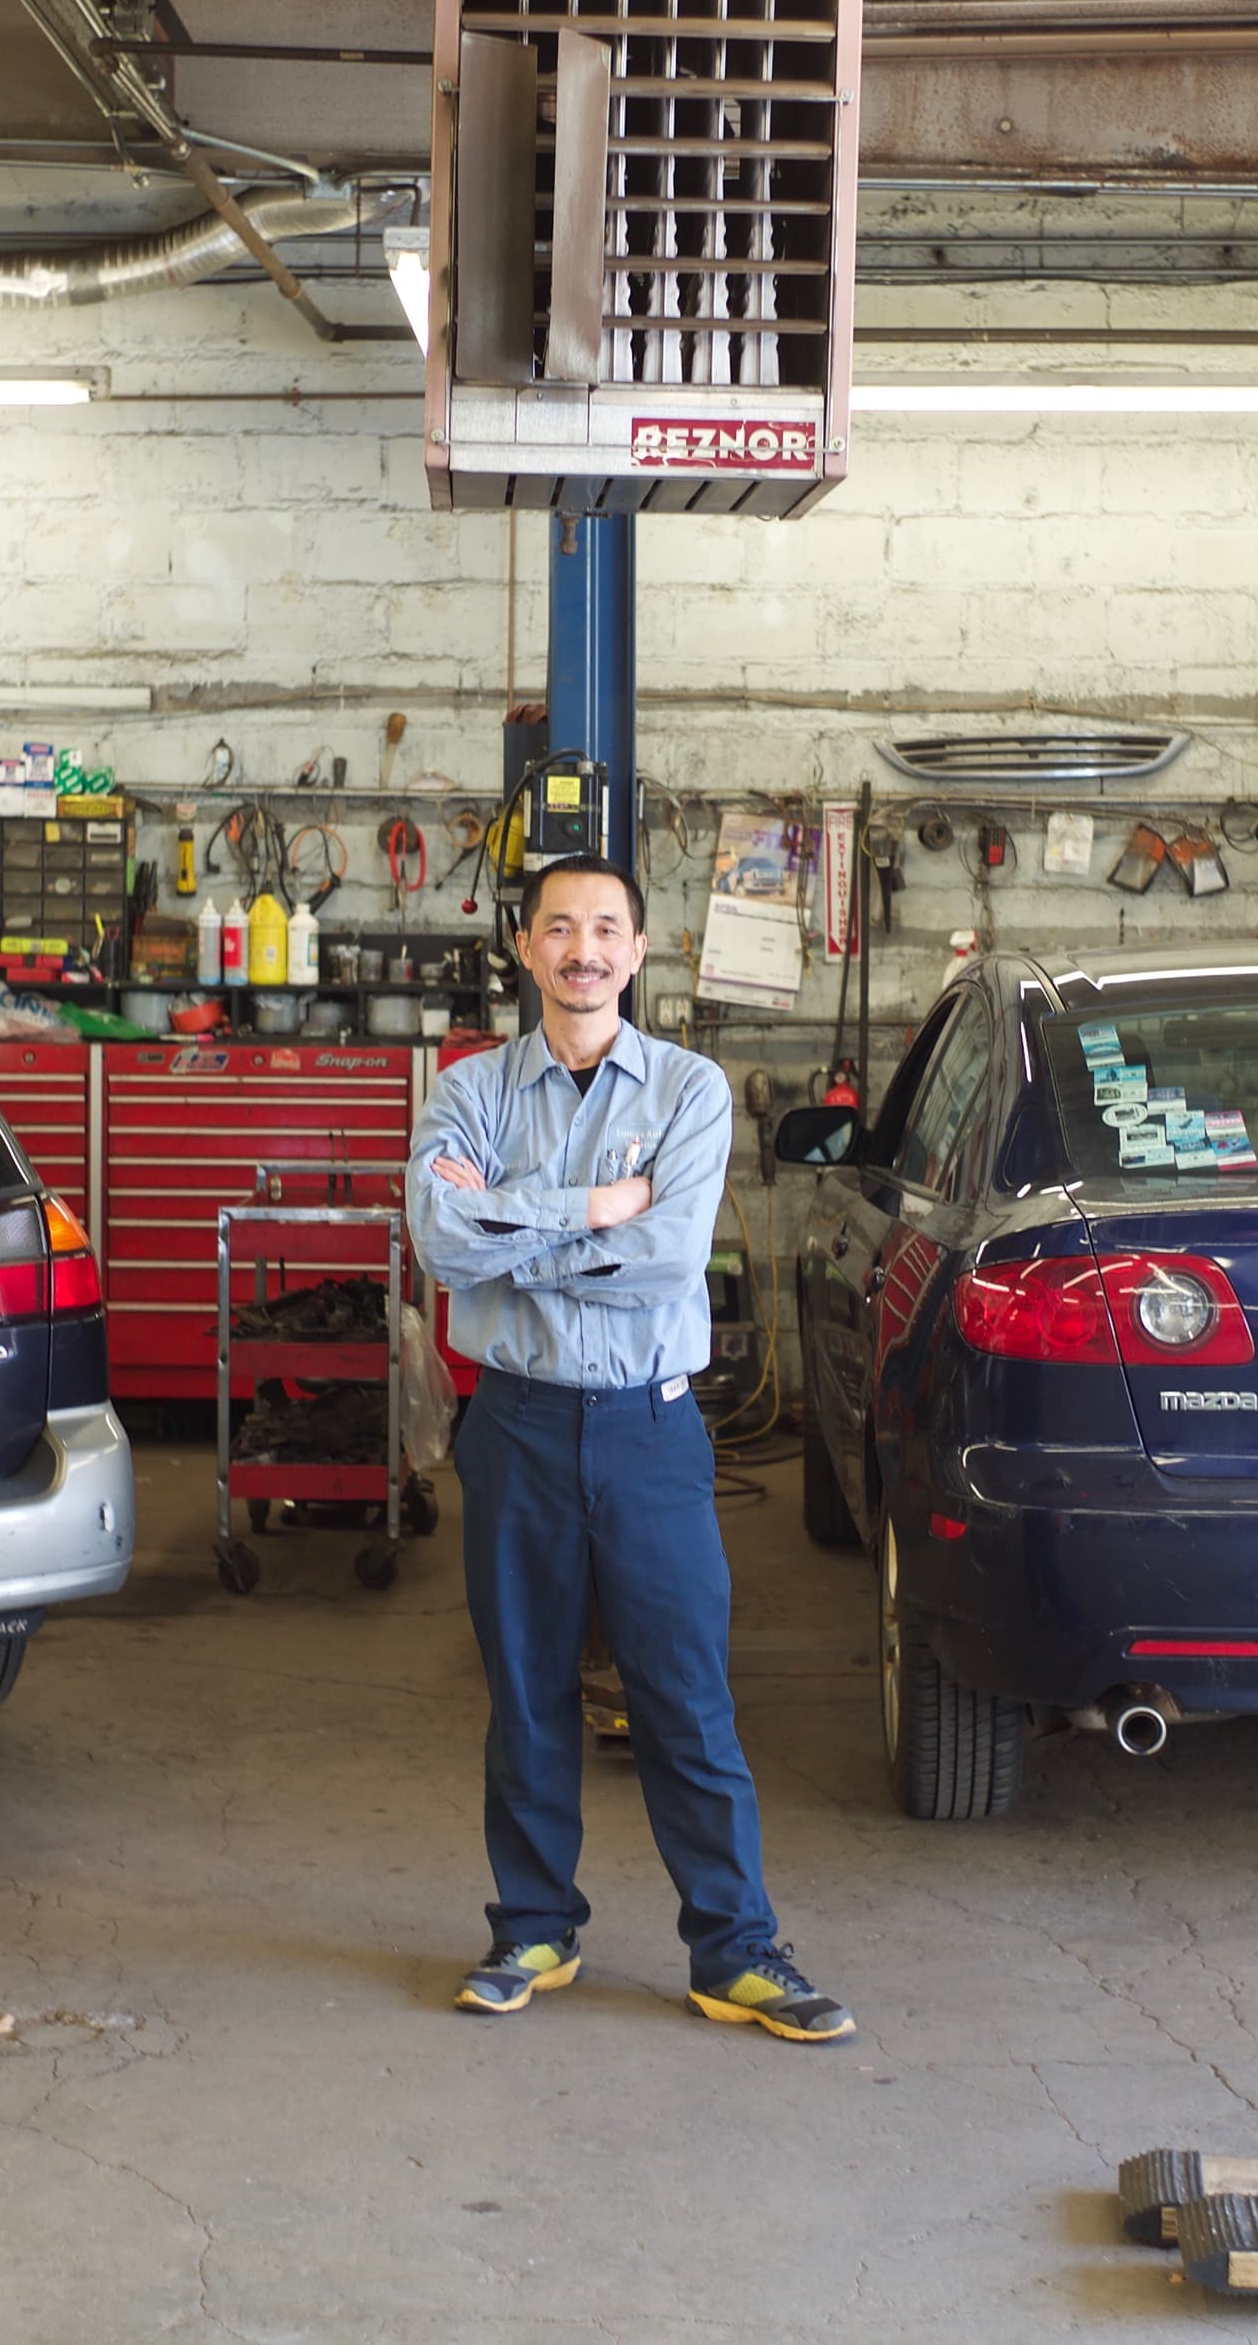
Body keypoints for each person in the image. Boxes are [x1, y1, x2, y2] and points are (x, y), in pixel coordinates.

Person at [405, 853, 853, 2044]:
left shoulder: (692, 1091)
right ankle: (533, 1926)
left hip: (650, 1428)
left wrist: (523, 1217)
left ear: (639, 949)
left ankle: (736, 1948)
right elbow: (445, 1247)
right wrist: (595, 1207)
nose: (583, 949)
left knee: (684, 1694)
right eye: (561, 927)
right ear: (525, 946)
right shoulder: (467, 1091)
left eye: (606, 927)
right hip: (517, 1426)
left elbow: (664, 1259)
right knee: (528, 1691)